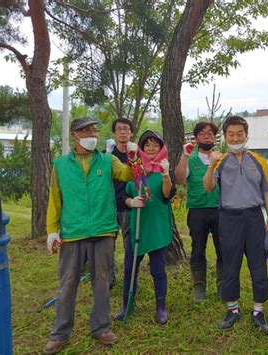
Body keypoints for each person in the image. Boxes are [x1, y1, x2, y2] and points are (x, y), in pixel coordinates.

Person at [44, 117, 137, 354]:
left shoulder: (107, 160)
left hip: (103, 229)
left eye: (94, 130)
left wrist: (134, 157)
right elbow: (55, 199)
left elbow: (128, 174)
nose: (92, 134)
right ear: (75, 135)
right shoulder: (61, 165)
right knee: (67, 284)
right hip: (72, 233)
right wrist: (52, 230)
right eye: (86, 130)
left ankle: (101, 327)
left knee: (102, 282)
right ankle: (60, 333)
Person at [203, 115, 268, 335]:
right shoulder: (220, 161)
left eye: (239, 133)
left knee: (258, 264)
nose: (236, 138)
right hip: (229, 218)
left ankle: (258, 311)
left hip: (254, 218)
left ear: (246, 134)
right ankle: (232, 310)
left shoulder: (259, 161)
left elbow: (267, 191)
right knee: (230, 264)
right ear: (224, 137)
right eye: (231, 134)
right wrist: (212, 164)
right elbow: (208, 187)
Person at [114, 130, 176, 325]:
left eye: (155, 145)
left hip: (156, 225)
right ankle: (127, 304)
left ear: (161, 148)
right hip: (137, 225)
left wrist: (165, 175)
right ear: (141, 147)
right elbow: (121, 194)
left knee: (158, 268)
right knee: (130, 265)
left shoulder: (165, 168)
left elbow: (167, 195)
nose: (151, 148)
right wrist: (131, 201)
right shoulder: (133, 168)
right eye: (147, 145)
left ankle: (161, 307)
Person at [175, 121, 223, 301]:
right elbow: (179, 179)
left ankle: (222, 286)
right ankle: (199, 287)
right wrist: (185, 156)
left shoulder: (221, 159)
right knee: (197, 250)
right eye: (202, 133)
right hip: (197, 211)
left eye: (210, 133)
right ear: (196, 138)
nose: (207, 136)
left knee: (223, 249)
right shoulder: (191, 158)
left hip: (220, 210)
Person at [108, 117, 135, 288]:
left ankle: (130, 280)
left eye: (126, 129)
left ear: (131, 133)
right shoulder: (108, 158)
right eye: (119, 129)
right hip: (110, 207)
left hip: (129, 206)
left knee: (129, 246)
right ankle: (108, 279)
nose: (123, 132)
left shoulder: (138, 155)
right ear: (114, 133)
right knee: (107, 246)